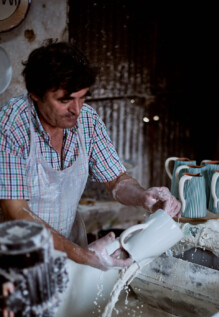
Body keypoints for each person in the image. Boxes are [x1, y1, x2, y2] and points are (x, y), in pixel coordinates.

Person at [0, 40, 181, 273]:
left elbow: (116, 179)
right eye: (65, 100)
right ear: (36, 94)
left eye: (82, 97)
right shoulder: (11, 126)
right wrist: (80, 254)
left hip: (70, 243)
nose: (76, 109)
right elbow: (17, 213)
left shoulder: (87, 120)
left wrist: (142, 196)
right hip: (16, 257)